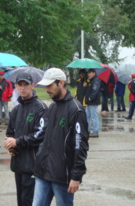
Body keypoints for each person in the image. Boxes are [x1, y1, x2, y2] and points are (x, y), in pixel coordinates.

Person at [32, 68, 89, 206]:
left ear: (61, 83)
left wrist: (76, 176)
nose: (46, 89)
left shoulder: (76, 110)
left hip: (62, 176)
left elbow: (80, 145)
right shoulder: (52, 107)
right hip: (43, 172)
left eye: (50, 85)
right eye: (45, 85)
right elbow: (43, 137)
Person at [4, 72, 47, 206]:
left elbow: (40, 135)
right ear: (15, 86)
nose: (23, 88)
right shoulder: (16, 110)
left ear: (32, 86)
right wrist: (11, 146)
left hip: (34, 164)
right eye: (20, 85)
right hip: (18, 163)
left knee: (31, 201)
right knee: (21, 201)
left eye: (26, 85)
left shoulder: (41, 107)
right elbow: (10, 132)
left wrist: (18, 142)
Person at [85, 69, 101, 138]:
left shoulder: (96, 80)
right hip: (89, 102)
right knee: (87, 116)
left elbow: (95, 90)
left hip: (93, 102)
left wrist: (90, 98)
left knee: (94, 117)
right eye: (88, 73)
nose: (88, 74)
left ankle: (95, 131)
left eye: (90, 73)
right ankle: (88, 130)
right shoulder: (91, 81)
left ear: (94, 73)